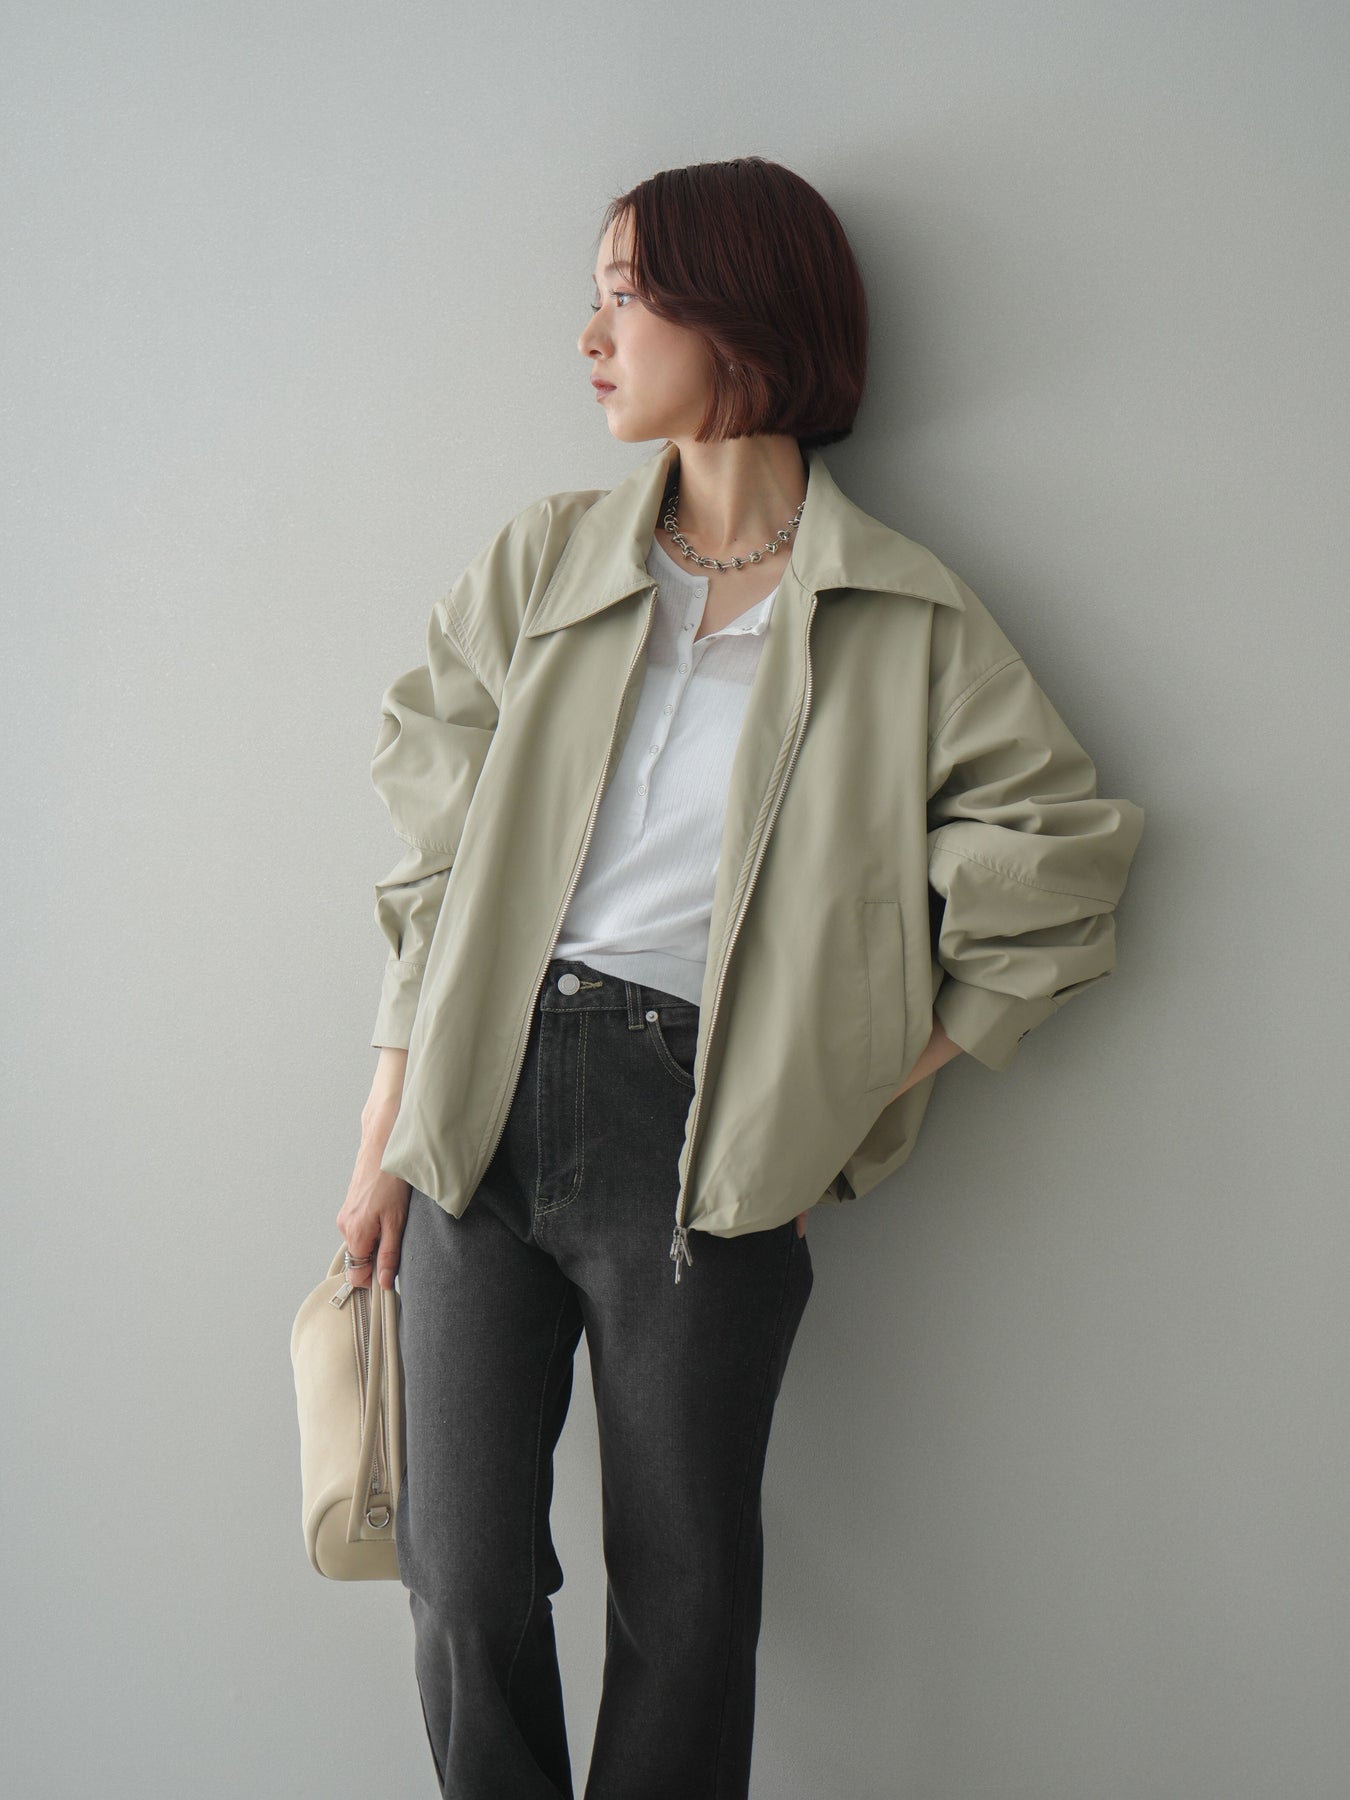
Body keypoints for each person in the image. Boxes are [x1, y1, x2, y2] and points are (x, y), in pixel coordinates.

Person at [336, 156, 1144, 1799]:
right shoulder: (545, 563)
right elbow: (429, 861)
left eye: (627, 296)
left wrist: (818, 1103)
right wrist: (378, 1139)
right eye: (596, 296)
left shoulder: (902, 614)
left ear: (743, 319)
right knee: (459, 1575)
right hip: (478, 1108)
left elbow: (1054, 867)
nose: (590, 336)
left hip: (703, 1130)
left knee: (686, 1593)